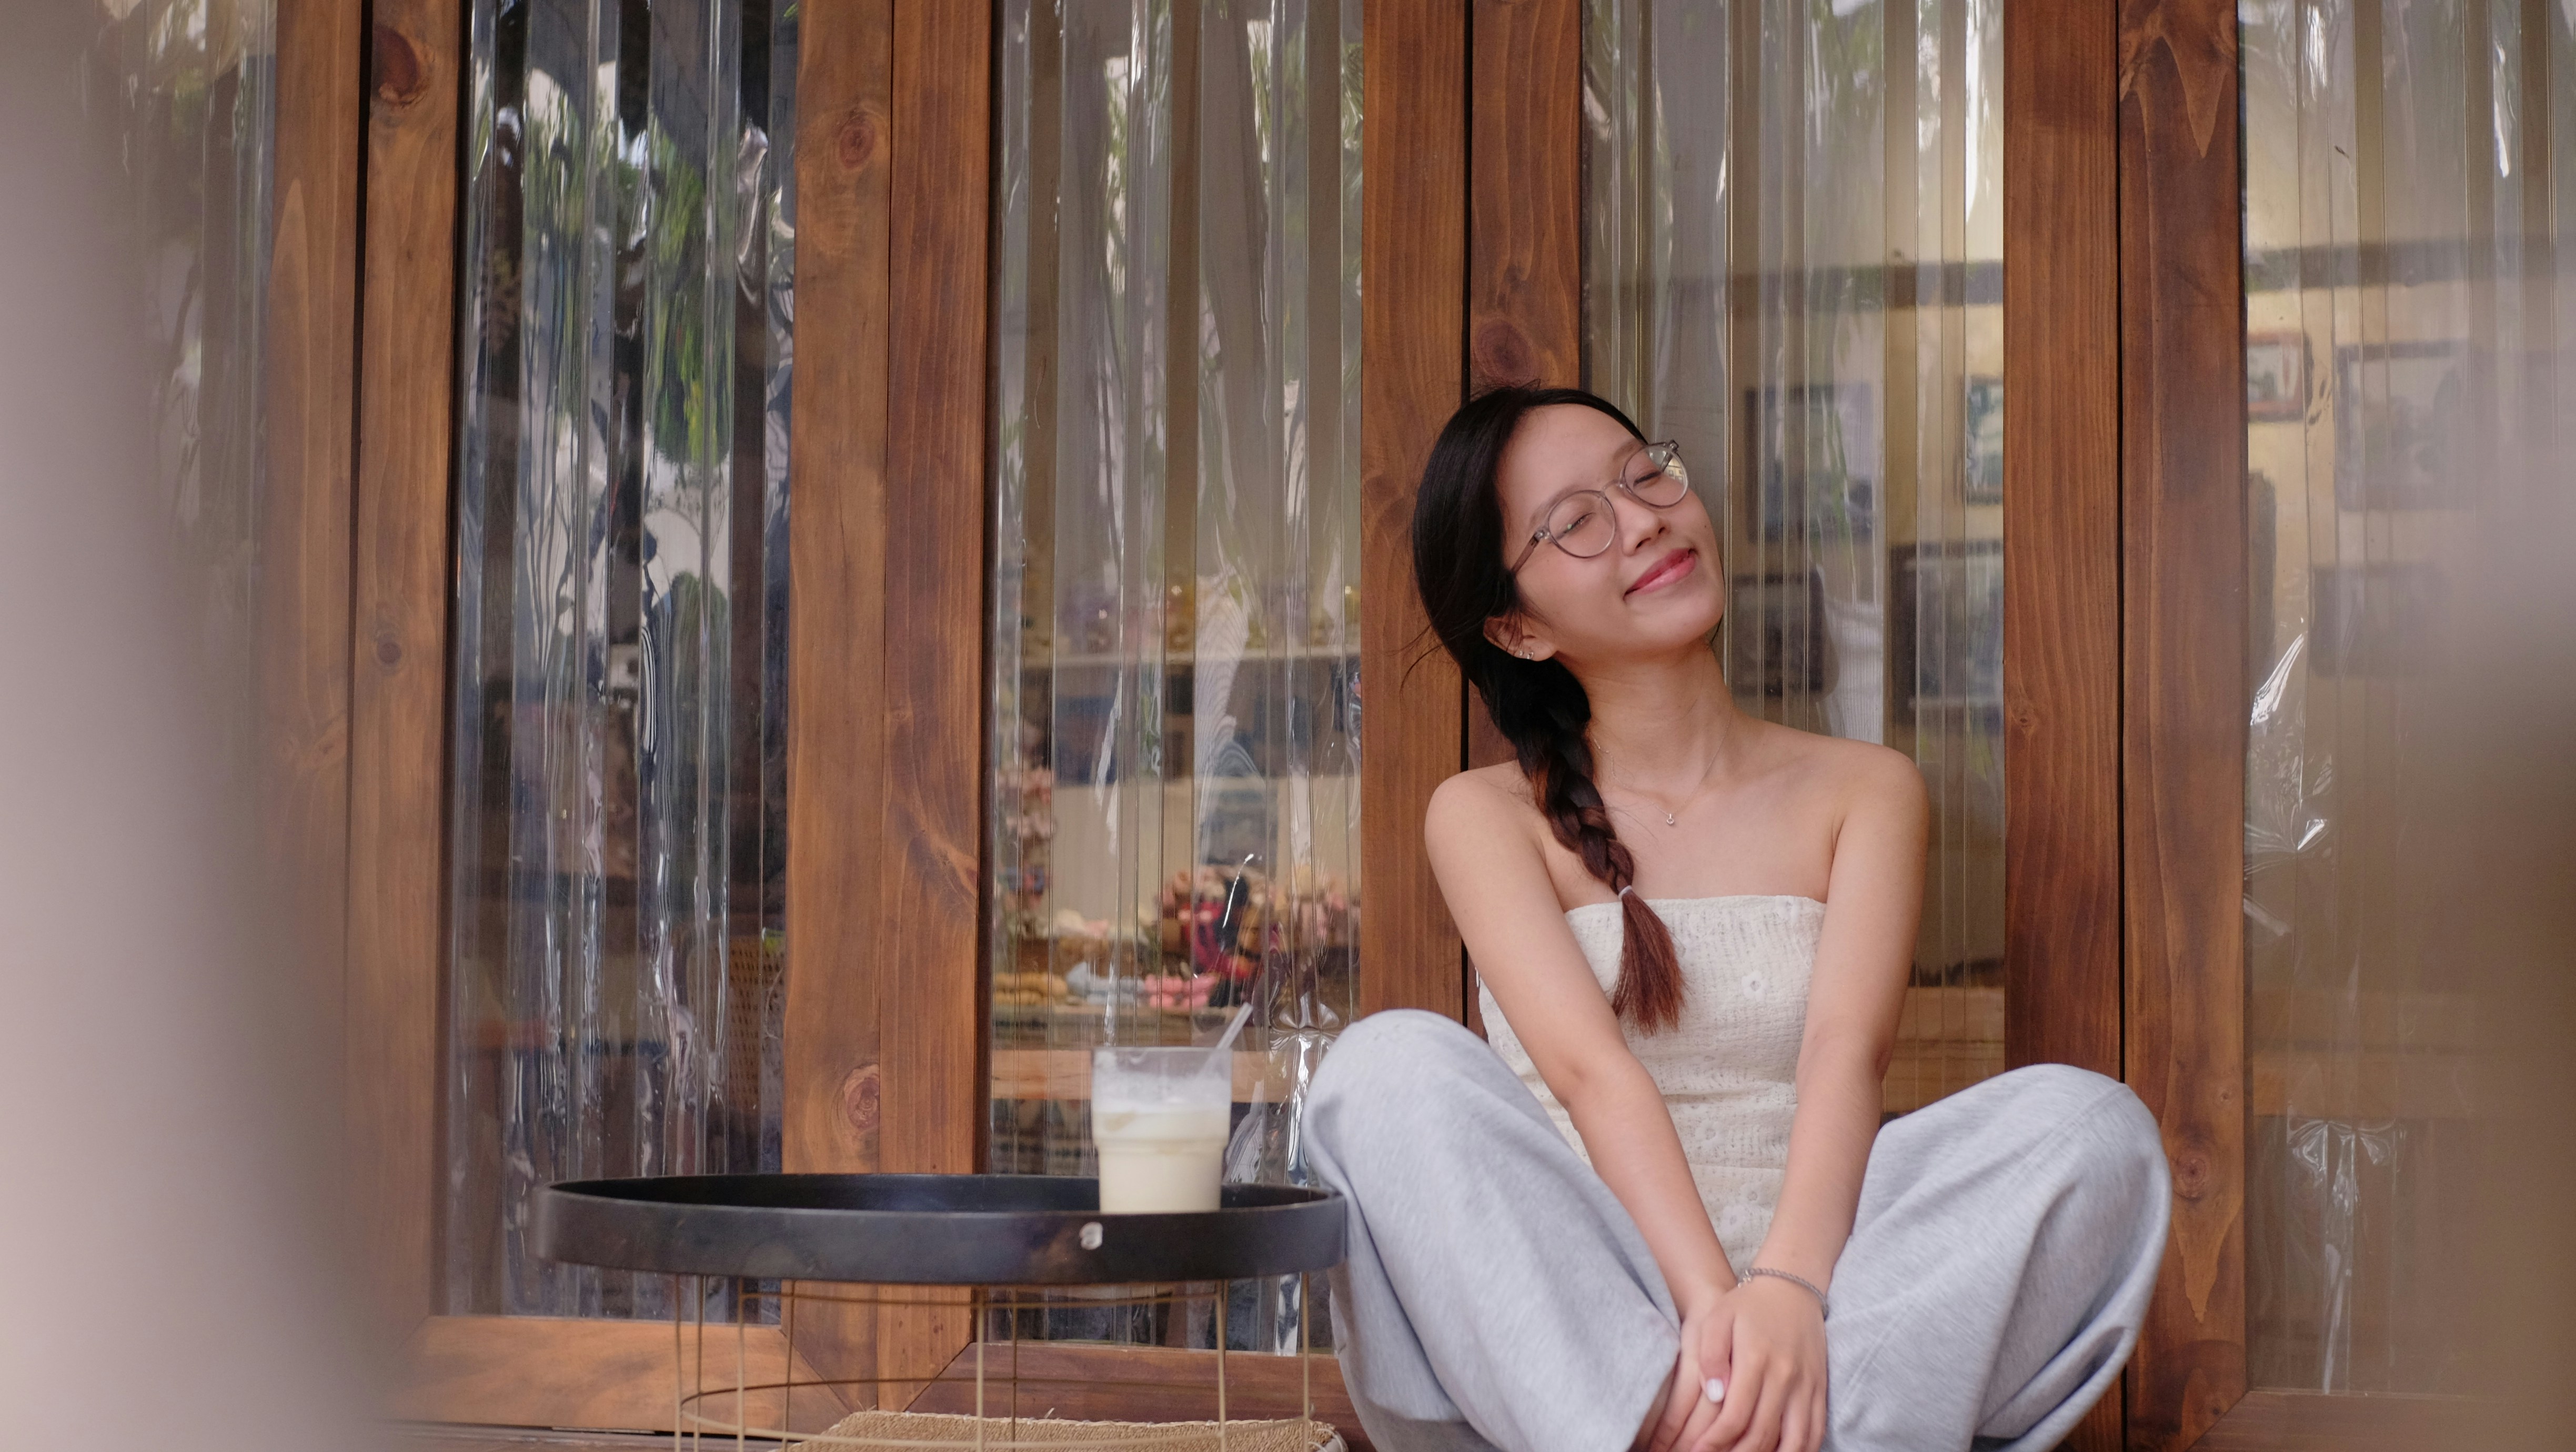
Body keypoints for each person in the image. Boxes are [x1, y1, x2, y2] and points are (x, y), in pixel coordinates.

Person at [1304, 387, 2170, 1452]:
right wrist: (1716, 1306)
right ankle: (1665, 1420)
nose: (1644, 518)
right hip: (1581, 1316)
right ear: (1517, 627)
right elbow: (1592, 1078)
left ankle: (1744, 1426)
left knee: (2093, 1132)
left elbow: (1844, 1059)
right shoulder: (1482, 816)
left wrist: (1788, 1297)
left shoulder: (1869, 790)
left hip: (1826, 1300)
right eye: (1577, 521)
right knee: (1381, 1071)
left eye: (1644, 474)